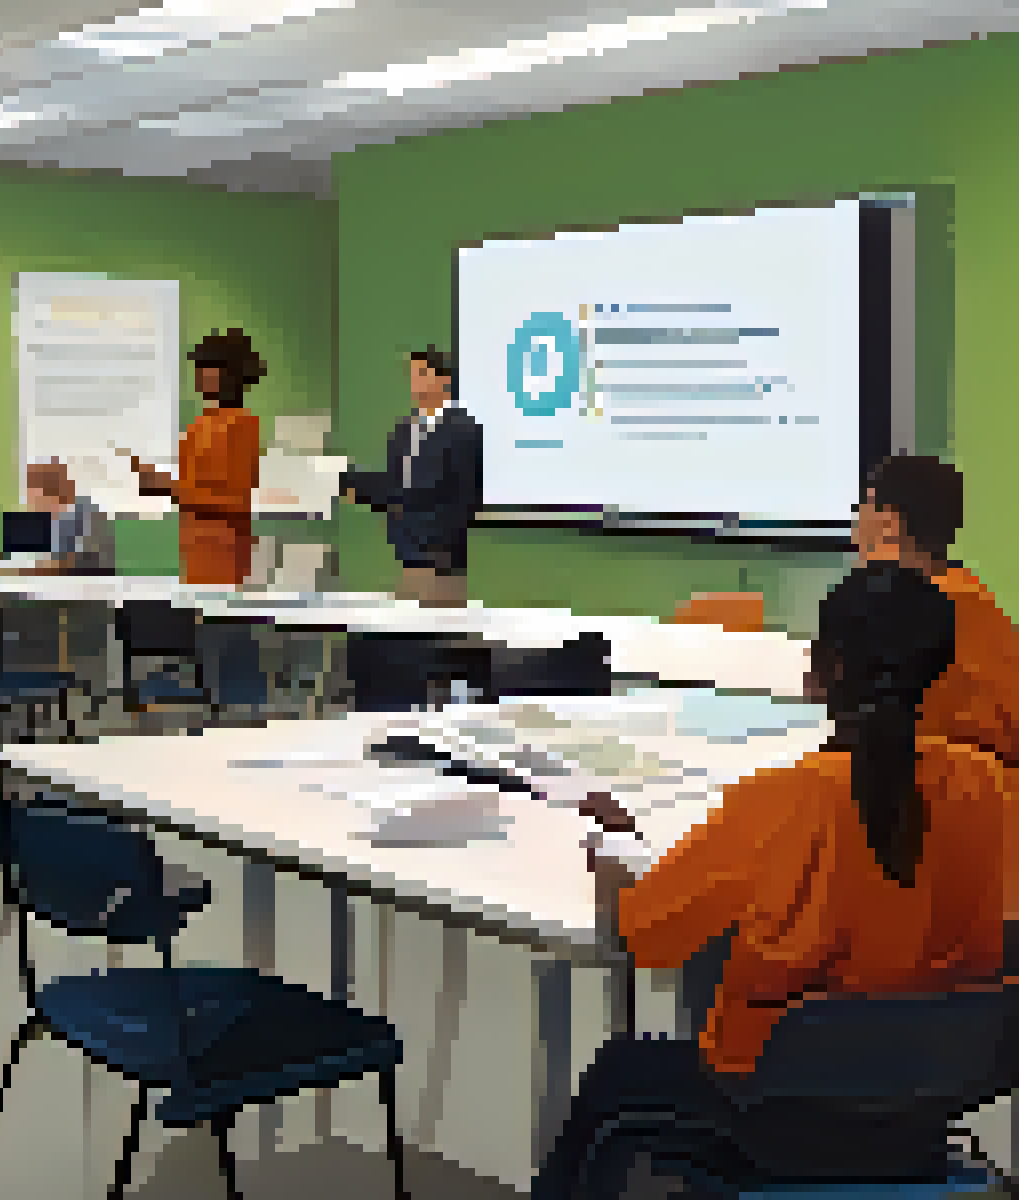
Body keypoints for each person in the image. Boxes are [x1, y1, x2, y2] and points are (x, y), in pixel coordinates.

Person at [535, 562, 1011, 1198]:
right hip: (930, 1107)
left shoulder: (780, 802)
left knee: (619, 1073)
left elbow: (638, 936)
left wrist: (613, 849)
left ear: (822, 670)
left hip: (773, 1111)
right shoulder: (992, 789)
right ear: (942, 672)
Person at [857, 455, 1019, 768]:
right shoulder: (978, 600)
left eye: (863, 510)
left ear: (888, 525)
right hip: (996, 800)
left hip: (931, 801)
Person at [343, 349, 483, 609]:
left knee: (440, 639)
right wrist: (344, 481)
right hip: (406, 552)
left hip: (442, 558)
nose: (414, 381)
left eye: (421, 373)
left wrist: (439, 545)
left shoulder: (464, 430)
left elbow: (462, 495)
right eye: (412, 374)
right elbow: (394, 485)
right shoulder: (403, 429)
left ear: (443, 380)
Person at [128, 328, 265, 586]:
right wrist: (157, 482)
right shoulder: (198, 426)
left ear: (232, 374)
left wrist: (170, 488)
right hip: (195, 557)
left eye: (208, 366)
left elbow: (234, 501)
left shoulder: (242, 425)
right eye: (199, 366)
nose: (200, 375)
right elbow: (195, 486)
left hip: (225, 561)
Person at [24, 460, 117, 576]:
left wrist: (30, 570)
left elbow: (77, 560)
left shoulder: (83, 512)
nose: (31, 503)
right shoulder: (55, 516)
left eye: (34, 496)